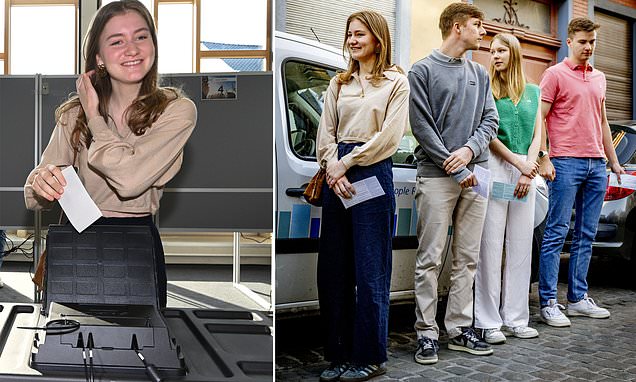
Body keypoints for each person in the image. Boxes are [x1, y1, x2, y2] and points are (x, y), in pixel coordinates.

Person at [23, 0, 197, 309]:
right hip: (76, 233)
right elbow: (33, 197)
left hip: (136, 239)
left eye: (141, 37)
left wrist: (95, 118)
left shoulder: (176, 111)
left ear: (153, 46)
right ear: (99, 58)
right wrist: (41, 182)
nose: (132, 48)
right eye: (117, 41)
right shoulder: (73, 114)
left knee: (143, 344)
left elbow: (128, 180)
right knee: (66, 343)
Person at [315, 10, 409, 382]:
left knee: (371, 271)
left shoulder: (396, 83)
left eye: (360, 34)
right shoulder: (338, 84)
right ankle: (337, 354)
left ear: (378, 39)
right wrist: (330, 165)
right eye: (349, 35)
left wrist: (347, 162)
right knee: (333, 271)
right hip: (336, 175)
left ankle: (370, 356)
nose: (353, 40)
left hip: (371, 173)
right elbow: (326, 131)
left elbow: (389, 137)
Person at [409, 2, 498, 364]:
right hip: (437, 177)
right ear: (458, 27)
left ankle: (459, 329)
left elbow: (490, 121)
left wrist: (468, 150)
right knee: (429, 258)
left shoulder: (480, 73)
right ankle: (426, 334)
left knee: (467, 258)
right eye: (478, 25)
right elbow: (422, 127)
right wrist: (457, 167)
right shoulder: (422, 70)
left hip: (477, 175)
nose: (483, 32)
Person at [537, 17, 624, 326]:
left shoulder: (599, 77)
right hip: (565, 162)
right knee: (557, 233)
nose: (589, 47)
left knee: (586, 235)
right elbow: (540, 119)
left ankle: (577, 299)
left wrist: (612, 160)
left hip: (596, 164)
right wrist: (543, 156)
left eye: (593, 42)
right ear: (570, 41)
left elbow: (602, 122)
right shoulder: (554, 75)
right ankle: (549, 302)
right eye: (583, 41)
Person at [474, 33, 541, 344]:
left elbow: (539, 134)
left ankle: (516, 318)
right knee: (490, 245)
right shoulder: (486, 89)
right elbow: (488, 134)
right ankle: (488, 320)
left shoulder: (534, 91)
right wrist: (518, 163)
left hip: (526, 172)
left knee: (520, 245)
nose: (495, 55)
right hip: (496, 169)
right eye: (492, 50)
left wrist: (530, 169)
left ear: (513, 53)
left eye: (501, 50)